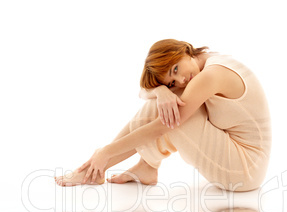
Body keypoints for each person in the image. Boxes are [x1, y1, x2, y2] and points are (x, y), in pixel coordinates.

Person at [55, 39, 271, 191]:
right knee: (166, 105)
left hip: (244, 170)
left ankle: (99, 166)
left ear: (183, 50)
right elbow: (145, 92)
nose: (181, 80)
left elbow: (163, 126)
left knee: (170, 114)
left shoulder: (210, 75)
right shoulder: (203, 61)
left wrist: (106, 151)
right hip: (239, 157)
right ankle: (144, 167)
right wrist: (161, 91)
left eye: (176, 69)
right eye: (171, 81)